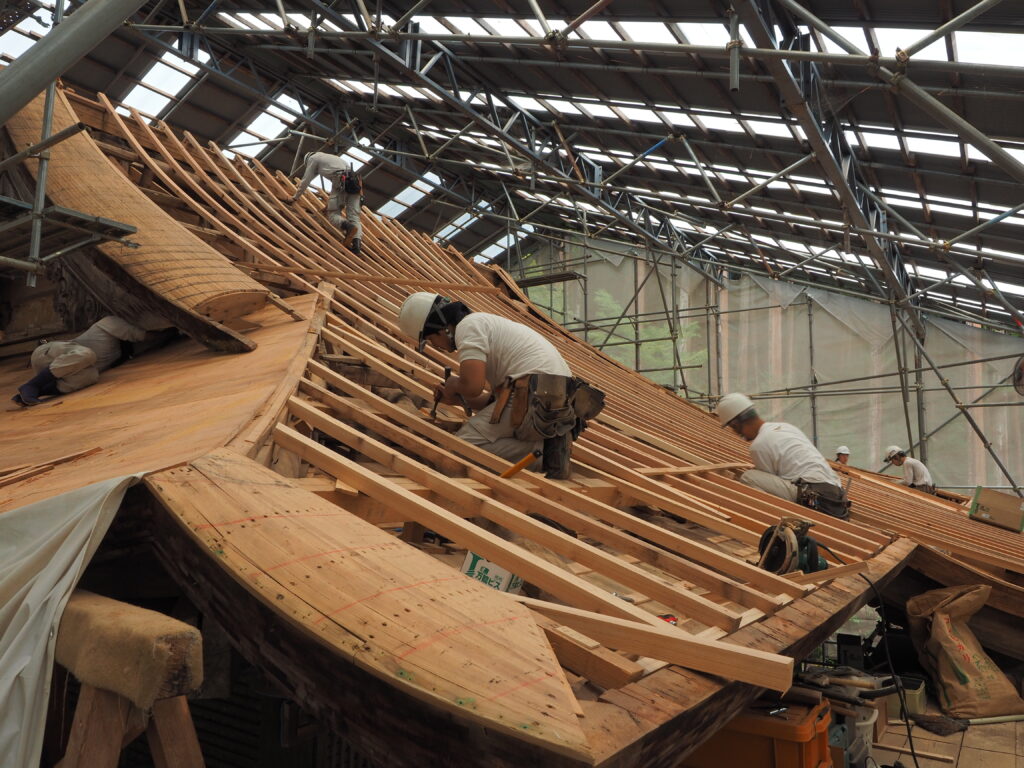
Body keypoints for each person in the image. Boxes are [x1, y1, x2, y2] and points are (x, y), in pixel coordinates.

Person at [397, 293, 604, 479]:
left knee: (460, 448)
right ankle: (543, 448)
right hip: (554, 395)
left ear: (440, 328)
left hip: (531, 390)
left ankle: (541, 454)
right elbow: (492, 402)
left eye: (431, 340)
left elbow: (473, 386)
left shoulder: (468, 327)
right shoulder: (488, 325)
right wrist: (458, 399)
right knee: (474, 443)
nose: (437, 347)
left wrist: (455, 384)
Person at [715, 392, 849, 519]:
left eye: (734, 429)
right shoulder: (785, 427)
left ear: (736, 424)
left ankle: (777, 521)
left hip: (816, 498)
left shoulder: (759, 445)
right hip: (838, 496)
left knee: (749, 477)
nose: (739, 435)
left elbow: (771, 486)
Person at [12, 316, 147, 406]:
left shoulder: (121, 351)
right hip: (46, 354)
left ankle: (35, 392)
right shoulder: (109, 321)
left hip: (62, 373)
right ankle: (32, 385)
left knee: (91, 376)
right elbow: (142, 335)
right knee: (87, 354)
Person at [287, 151, 363, 255]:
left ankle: (348, 227)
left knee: (332, 214)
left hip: (340, 180)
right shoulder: (332, 157)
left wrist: (295, 197)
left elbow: (305, 180)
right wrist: (328, 205)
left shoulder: (313, 159)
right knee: (354, 216)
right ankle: (357, 246)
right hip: (355, 183)